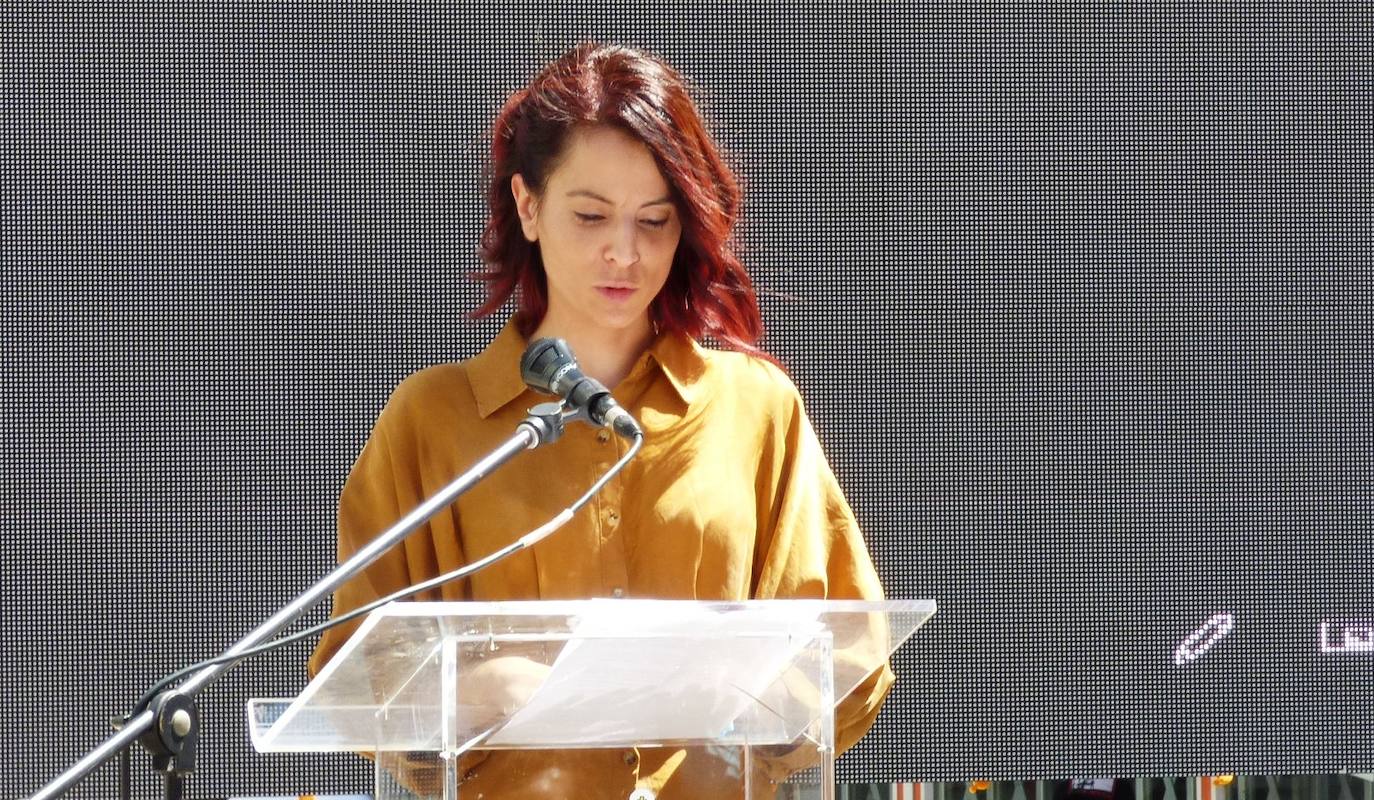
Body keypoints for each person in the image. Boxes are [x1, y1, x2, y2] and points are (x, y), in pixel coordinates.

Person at [307, 41, 892, 799]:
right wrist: (480, 688)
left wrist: (741, 690)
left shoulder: (757, 411)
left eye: (656, 221)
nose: (624, 252)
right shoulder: (433, 420)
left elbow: (849, 653)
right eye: (591, 216)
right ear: (527, 204)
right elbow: (356, 671)